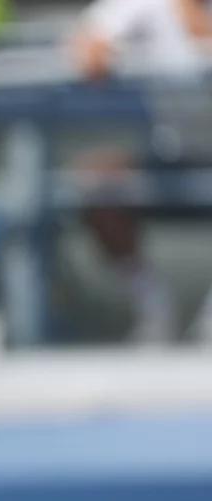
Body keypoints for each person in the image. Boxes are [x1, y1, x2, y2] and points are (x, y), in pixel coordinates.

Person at [69, 0, 212, 343]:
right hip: (173, 154)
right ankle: (154, 308)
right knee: (98, 183)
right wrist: (96, 49)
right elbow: (87, 43)